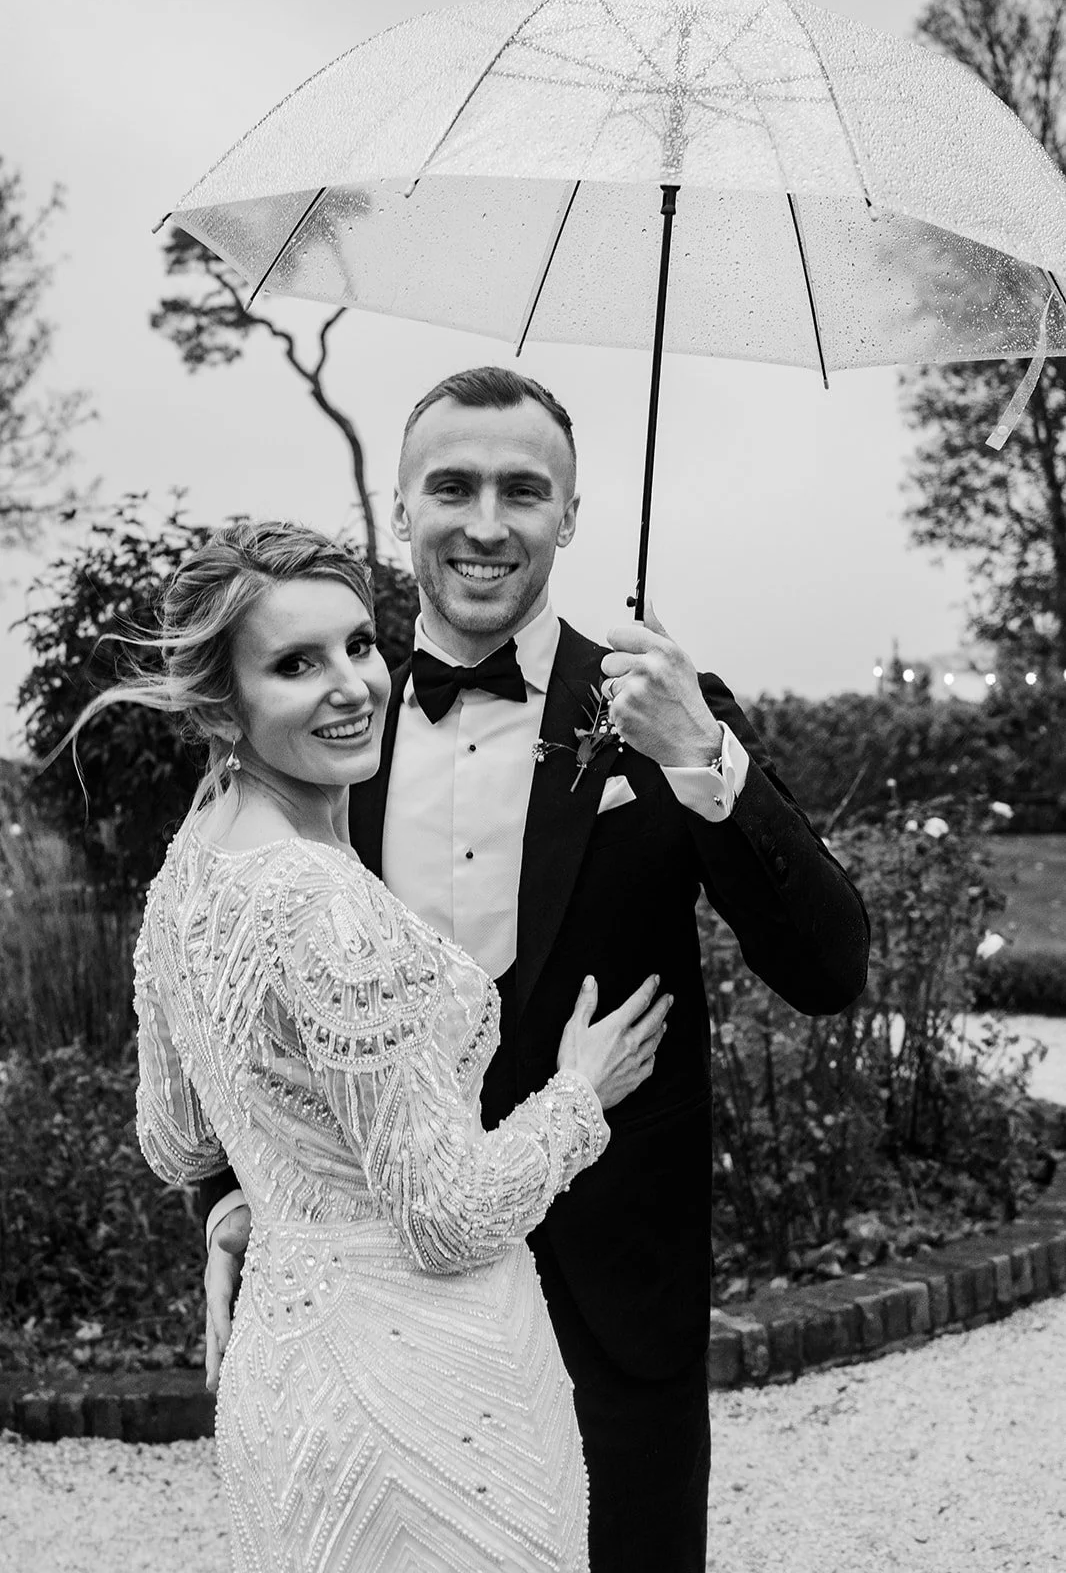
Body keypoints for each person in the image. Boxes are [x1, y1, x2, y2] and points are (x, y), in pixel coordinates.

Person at [199, 367, 871, 1573]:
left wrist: (702, 759)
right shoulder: (326, 727)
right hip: (391, 1298)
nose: (487, 521)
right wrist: (230, 1199)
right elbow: (226, 991)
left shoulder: (662, 712)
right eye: (452, 485)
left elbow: (828, 968)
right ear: (397, 506)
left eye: (524, 489)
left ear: (569, 514)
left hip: (613, 1285)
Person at [85, 520, 674, 1571]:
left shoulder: (191, 868)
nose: (353, 683)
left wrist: (261, 1204)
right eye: (296, 663)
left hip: (291, 1377)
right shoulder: (327, 907)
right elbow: (443, 1218)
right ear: (223, 703)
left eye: (359, 644)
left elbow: (176, 1138)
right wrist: (578, 1096)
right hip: (434, 1395)